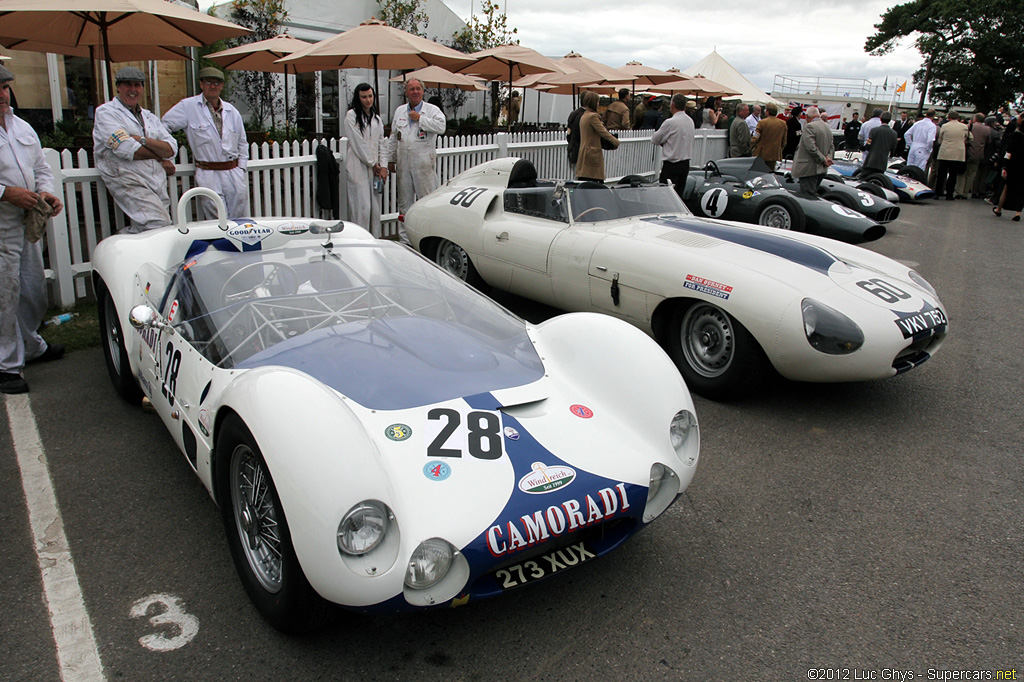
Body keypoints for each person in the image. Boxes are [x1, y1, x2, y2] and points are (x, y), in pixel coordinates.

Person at [0, 65, 65, 394]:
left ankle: (32, 345)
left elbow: (41, 167)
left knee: (32, 288)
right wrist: (5, 192)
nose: (1, 93)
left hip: (27, 221)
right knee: (4, 294)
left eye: (5, 87)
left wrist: (46, 191)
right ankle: (6, 365)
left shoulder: (21, 127)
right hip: (0, 223)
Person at [93, 66, 178, 232]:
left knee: (152, 228)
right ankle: (119, 243)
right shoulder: (106, 113)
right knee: (157, 223)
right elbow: (127, 150)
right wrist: (159, 153)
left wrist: (141, 140)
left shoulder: (149, 117)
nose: (133, 90)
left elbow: (171, 148)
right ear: (118, 87)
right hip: (127, 177)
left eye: (137, 85)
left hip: (155, 179)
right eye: (128, 85)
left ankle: (130, 254)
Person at [162, 67, 249, 220]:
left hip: (233, 171)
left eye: (217, 83)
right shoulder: (188, 107)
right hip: (208, 171)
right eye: (209, 82)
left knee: (239, 218)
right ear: (201, 84)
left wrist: (241, 167)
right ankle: (220, 244)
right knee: (216, 217)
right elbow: (163, 126)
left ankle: (236, 244)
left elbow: (242, 141)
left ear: (222, 86)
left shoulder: (231, 111)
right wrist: (165, 154)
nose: (213, 86)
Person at [387, 78, 445, 242]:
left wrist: (420, 119)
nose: (415, 92)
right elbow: (394, 136)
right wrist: (391, 159)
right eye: (411, 89)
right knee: (404, 204)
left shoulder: (432, 110)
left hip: (423, 164)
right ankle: (405, 240)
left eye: (418, 89)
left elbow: (441, 127)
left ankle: (427, 237)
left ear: (423, 91)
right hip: (404, 163)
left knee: (426, 201)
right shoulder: (399, 111)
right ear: (406, 92)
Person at [343, 83, 387, 237]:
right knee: (362, 208)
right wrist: (373, 163)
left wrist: (384, 166)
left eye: (370, 96)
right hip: (358, 166)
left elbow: (382, 142)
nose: (368, 100)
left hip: (375, 169)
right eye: (364, 97)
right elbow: (358, 143)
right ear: (358, 98)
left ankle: (374, 240)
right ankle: (359, 240)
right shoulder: (351, 116)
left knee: (375, 209)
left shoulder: (377, 119)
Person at [651, 93, 695, 199]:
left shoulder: (670, 122)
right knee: (678, 196)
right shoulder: (690, 121)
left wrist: (664, 143)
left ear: (672, 105)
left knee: (666, 197)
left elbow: (655, 139)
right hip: (685, 164)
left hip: (672, 165)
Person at [576, 90, 619, 182]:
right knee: (594, 182)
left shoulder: (584, 115)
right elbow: (603, 132)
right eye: (597, 102)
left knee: (584, 180)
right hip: (592, 153)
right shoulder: (593, 117)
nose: (598, 104)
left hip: (584, 151)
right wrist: (615, 141)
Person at [791, 106, 833, 196]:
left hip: (809, 168)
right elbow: (832, 146)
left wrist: (823, 159)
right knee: (813, 193)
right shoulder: (827, 127)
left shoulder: (810, 126)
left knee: (807, 196)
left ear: (807, 116)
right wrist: (828, 158)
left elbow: (811, 147)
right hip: (821, 168)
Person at [993, 112, 1024, 220]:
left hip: (1014, 164)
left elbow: (1009, 151)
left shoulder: (1014, 136)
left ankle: (999, 209)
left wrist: (1004, 165)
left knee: (1006, 188)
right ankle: (1018, 212)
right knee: (1021, 190)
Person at [934, 110, 971, 200]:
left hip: (945, 152)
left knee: (941, 174)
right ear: (958, 118)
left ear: (949, 118)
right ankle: (949, 194)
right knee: (953, 175)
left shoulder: (945, 126)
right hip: (957, 153)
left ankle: (938, 193)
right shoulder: (964, 127)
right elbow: (970, 138)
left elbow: (940, 139)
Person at [957, 113, 989, 198]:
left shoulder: (968, 126)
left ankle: (959, 191)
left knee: (962, 173)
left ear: (975, 119)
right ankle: (965, 192)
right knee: (971, 174)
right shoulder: (987, 129)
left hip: (966, 153)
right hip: (978, 153)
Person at [751, 102, 788, 171]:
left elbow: (755, 137)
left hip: (761, 153)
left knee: (758, 173)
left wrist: (752, 147)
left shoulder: (762, 122)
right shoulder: (783, 123)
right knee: (770, 173)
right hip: (775, 154)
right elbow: (784, 141)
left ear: (768, 111)